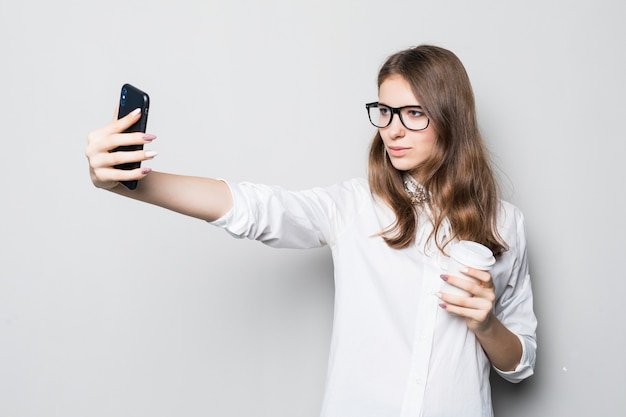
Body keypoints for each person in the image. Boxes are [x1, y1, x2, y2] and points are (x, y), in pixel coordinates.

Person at [85, 44, 537, 417]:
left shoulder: (505, 224)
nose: (393, 131)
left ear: (451, 118)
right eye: (385, 111)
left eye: (414, 113)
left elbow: (519, 364)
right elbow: (259, 209)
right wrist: (132, 184)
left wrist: (484, 323)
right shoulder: (355, 206)